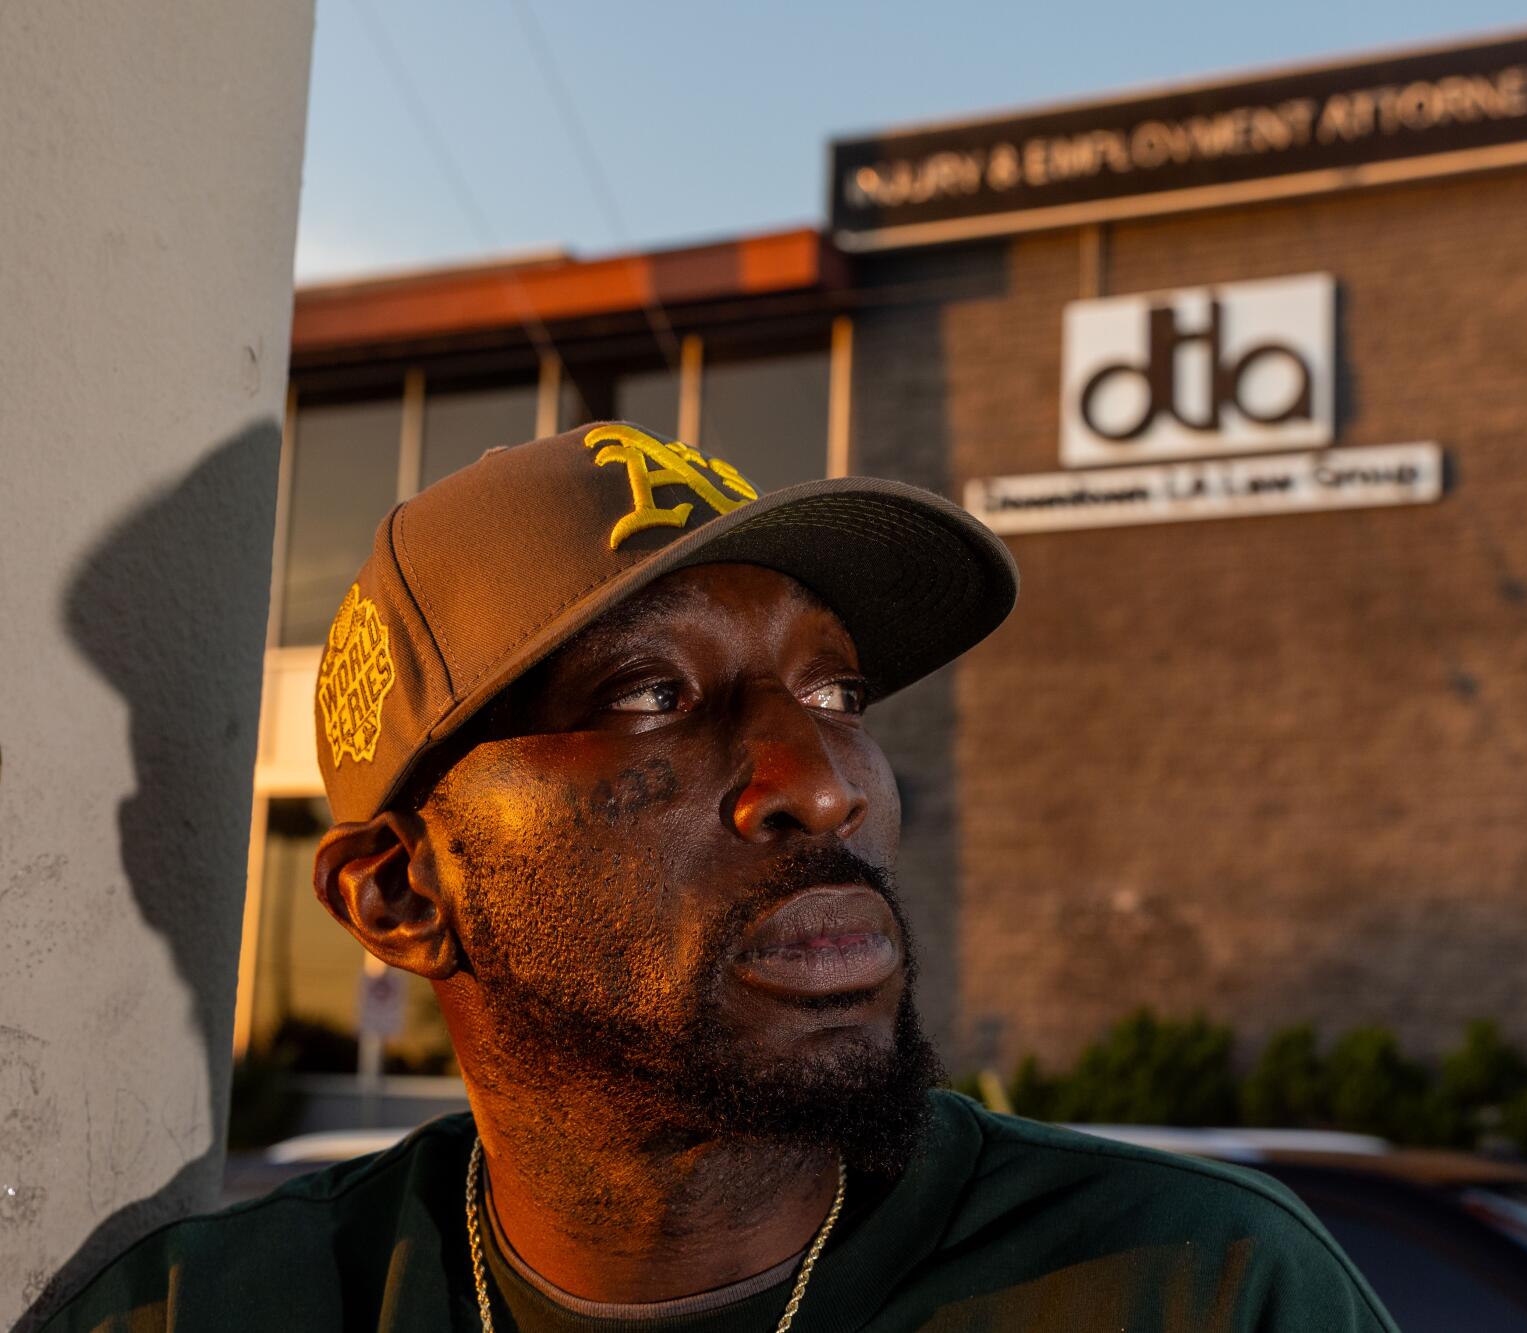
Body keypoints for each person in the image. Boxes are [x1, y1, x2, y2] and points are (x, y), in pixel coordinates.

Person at [45, 423, 1399, 1332]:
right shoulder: (202, 1314)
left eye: (838, 685)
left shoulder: (1195, 1289)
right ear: (404, 895)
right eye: (650, 691)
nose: (825, 778)